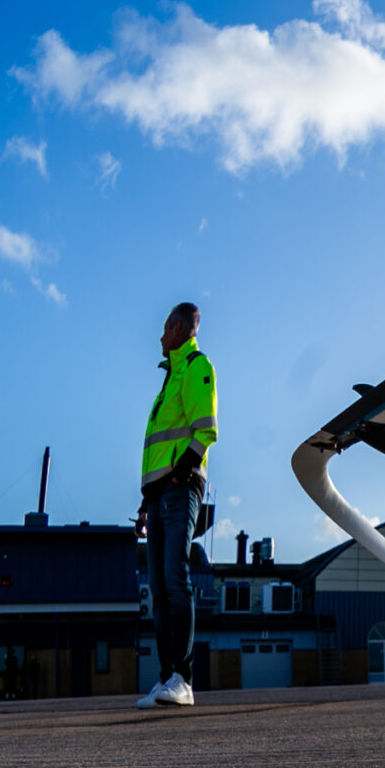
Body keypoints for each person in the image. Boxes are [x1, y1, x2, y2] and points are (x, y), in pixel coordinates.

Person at [137, 302, 217, 708]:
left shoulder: (196, 367)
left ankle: (182, 680)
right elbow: (159, 448)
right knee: (159, 589)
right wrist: (145, 503)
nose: (159, 337)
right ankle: (166, 678)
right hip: (158, 496)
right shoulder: (169, 380)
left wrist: (179, 477)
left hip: (179, 490)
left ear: (177, 327)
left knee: (175, 579)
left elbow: (206, 431)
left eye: (165, 329)